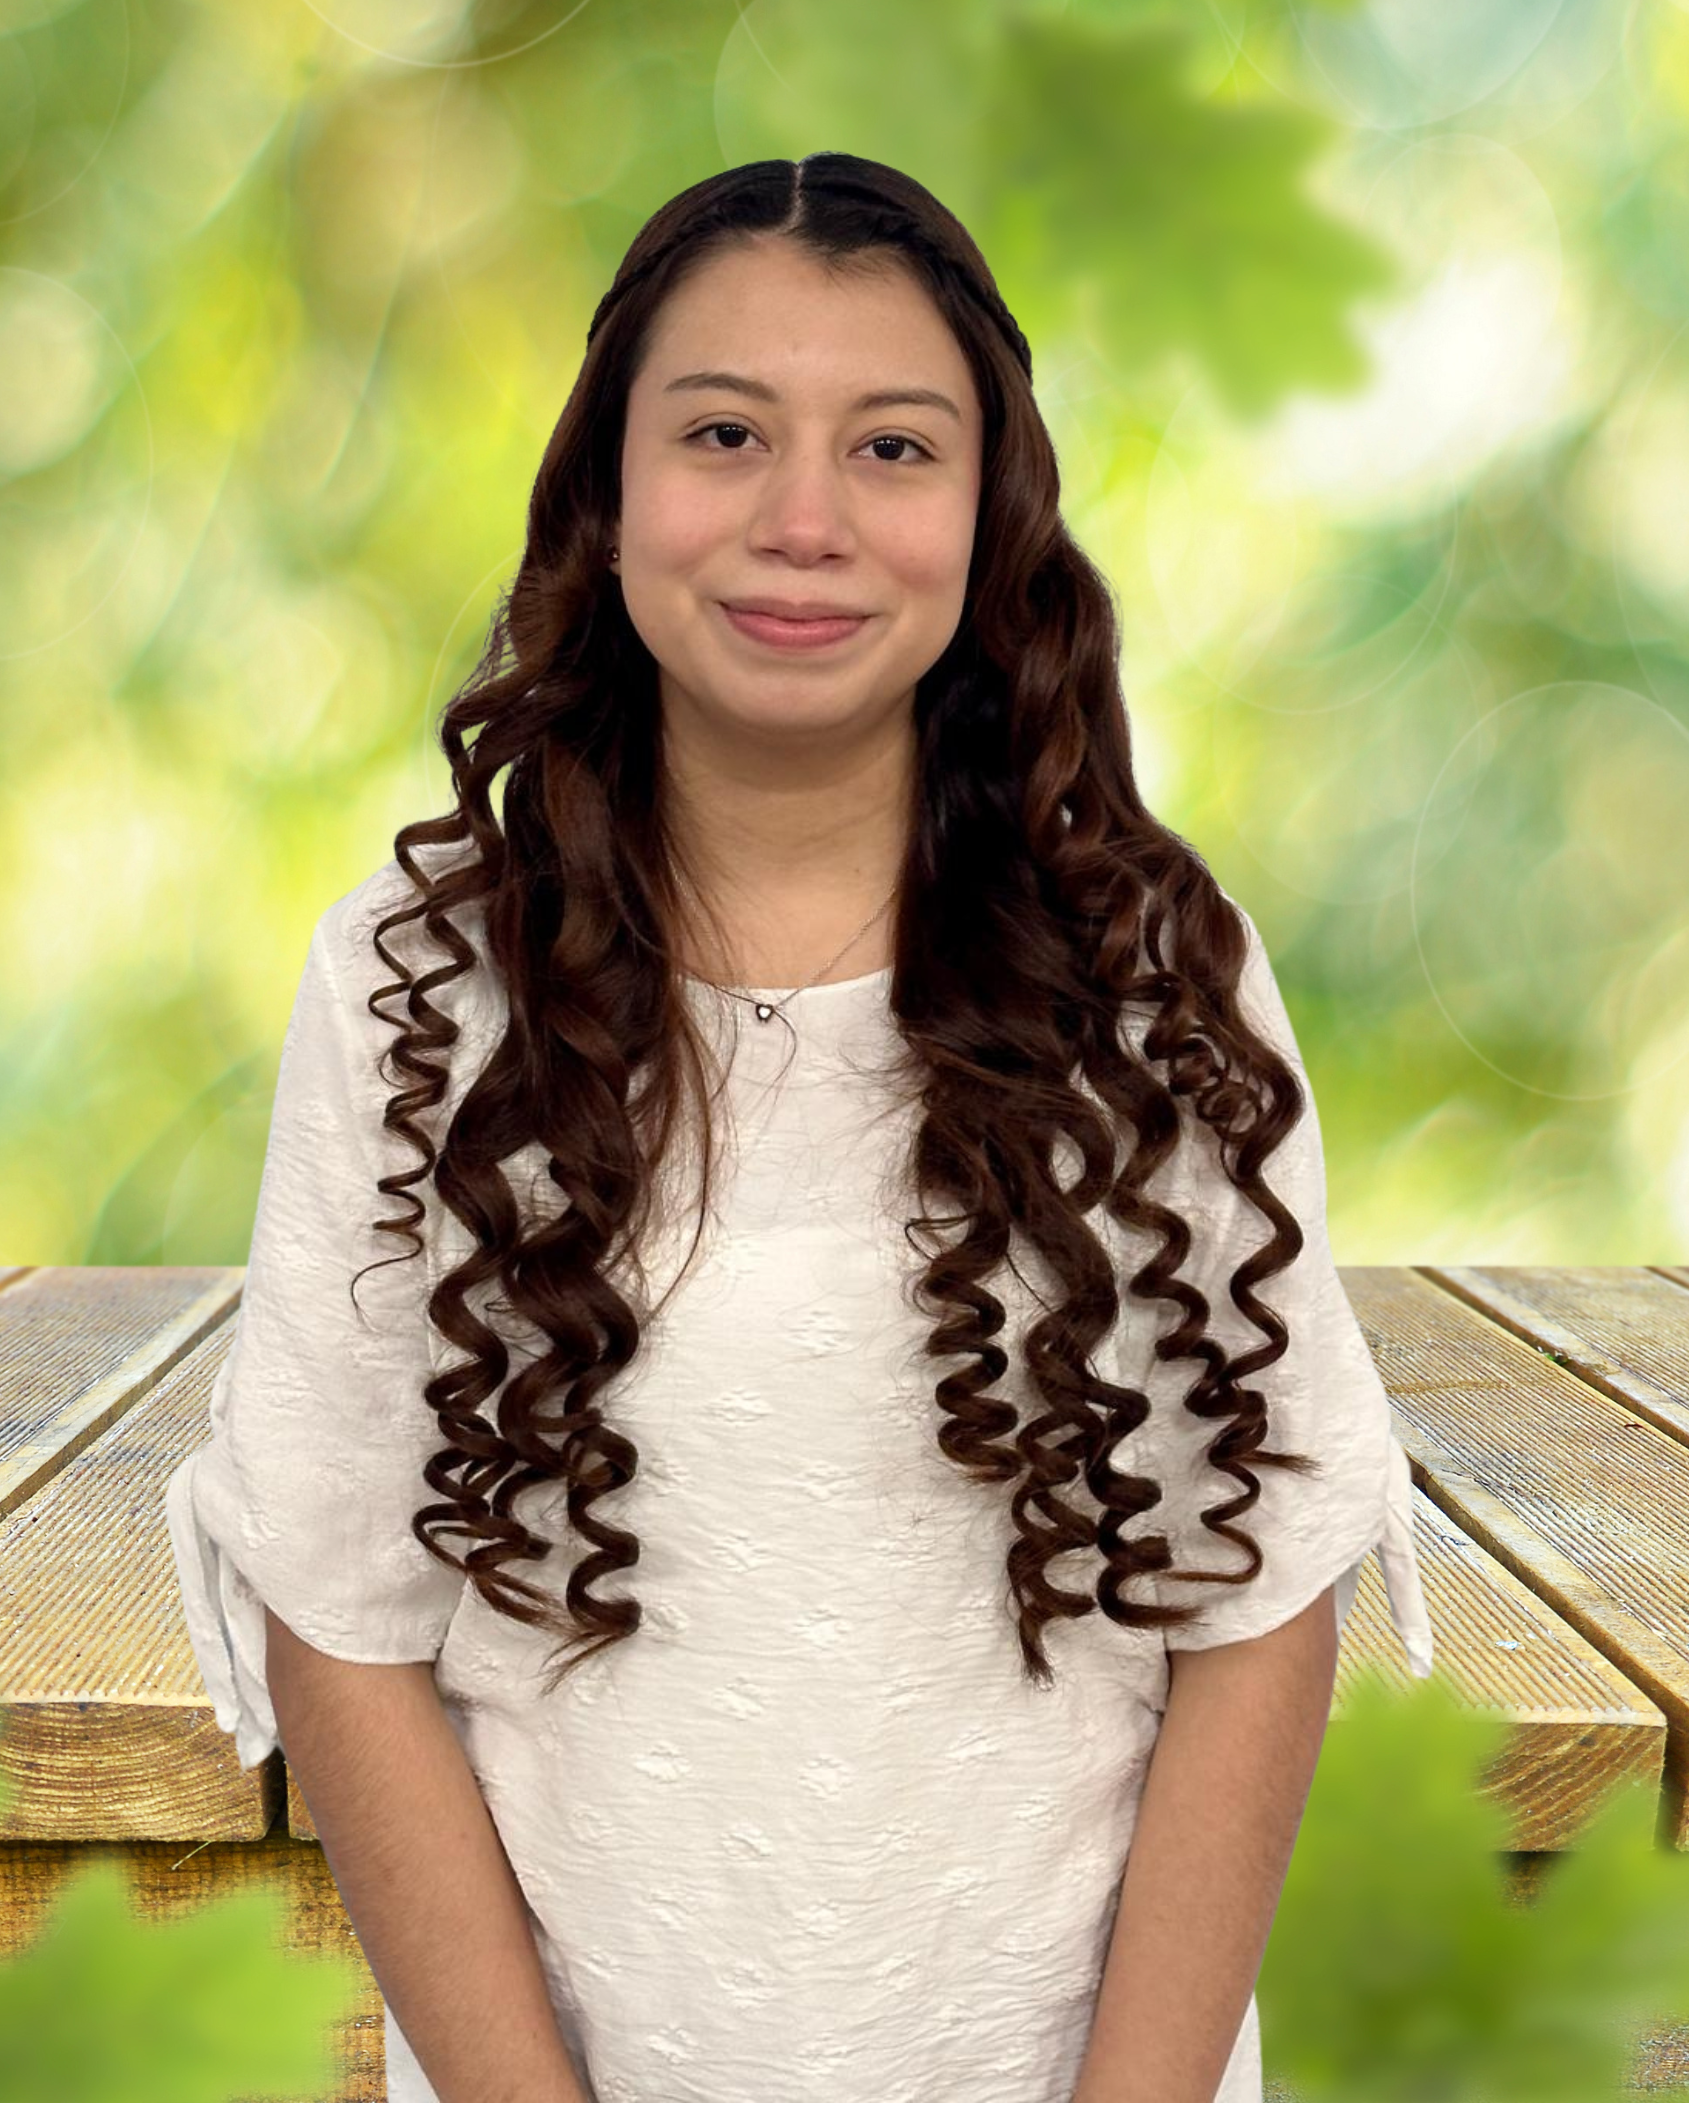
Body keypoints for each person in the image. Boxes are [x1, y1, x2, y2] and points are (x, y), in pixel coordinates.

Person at [164, 152, 1435, 2103]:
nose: (804, 519)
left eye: (894, 447)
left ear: (991, 517)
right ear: (604, 495)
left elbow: (1256, 1599)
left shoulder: (1159, 980)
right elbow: (336, 1610)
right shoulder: (413, 993)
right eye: (726, 432)